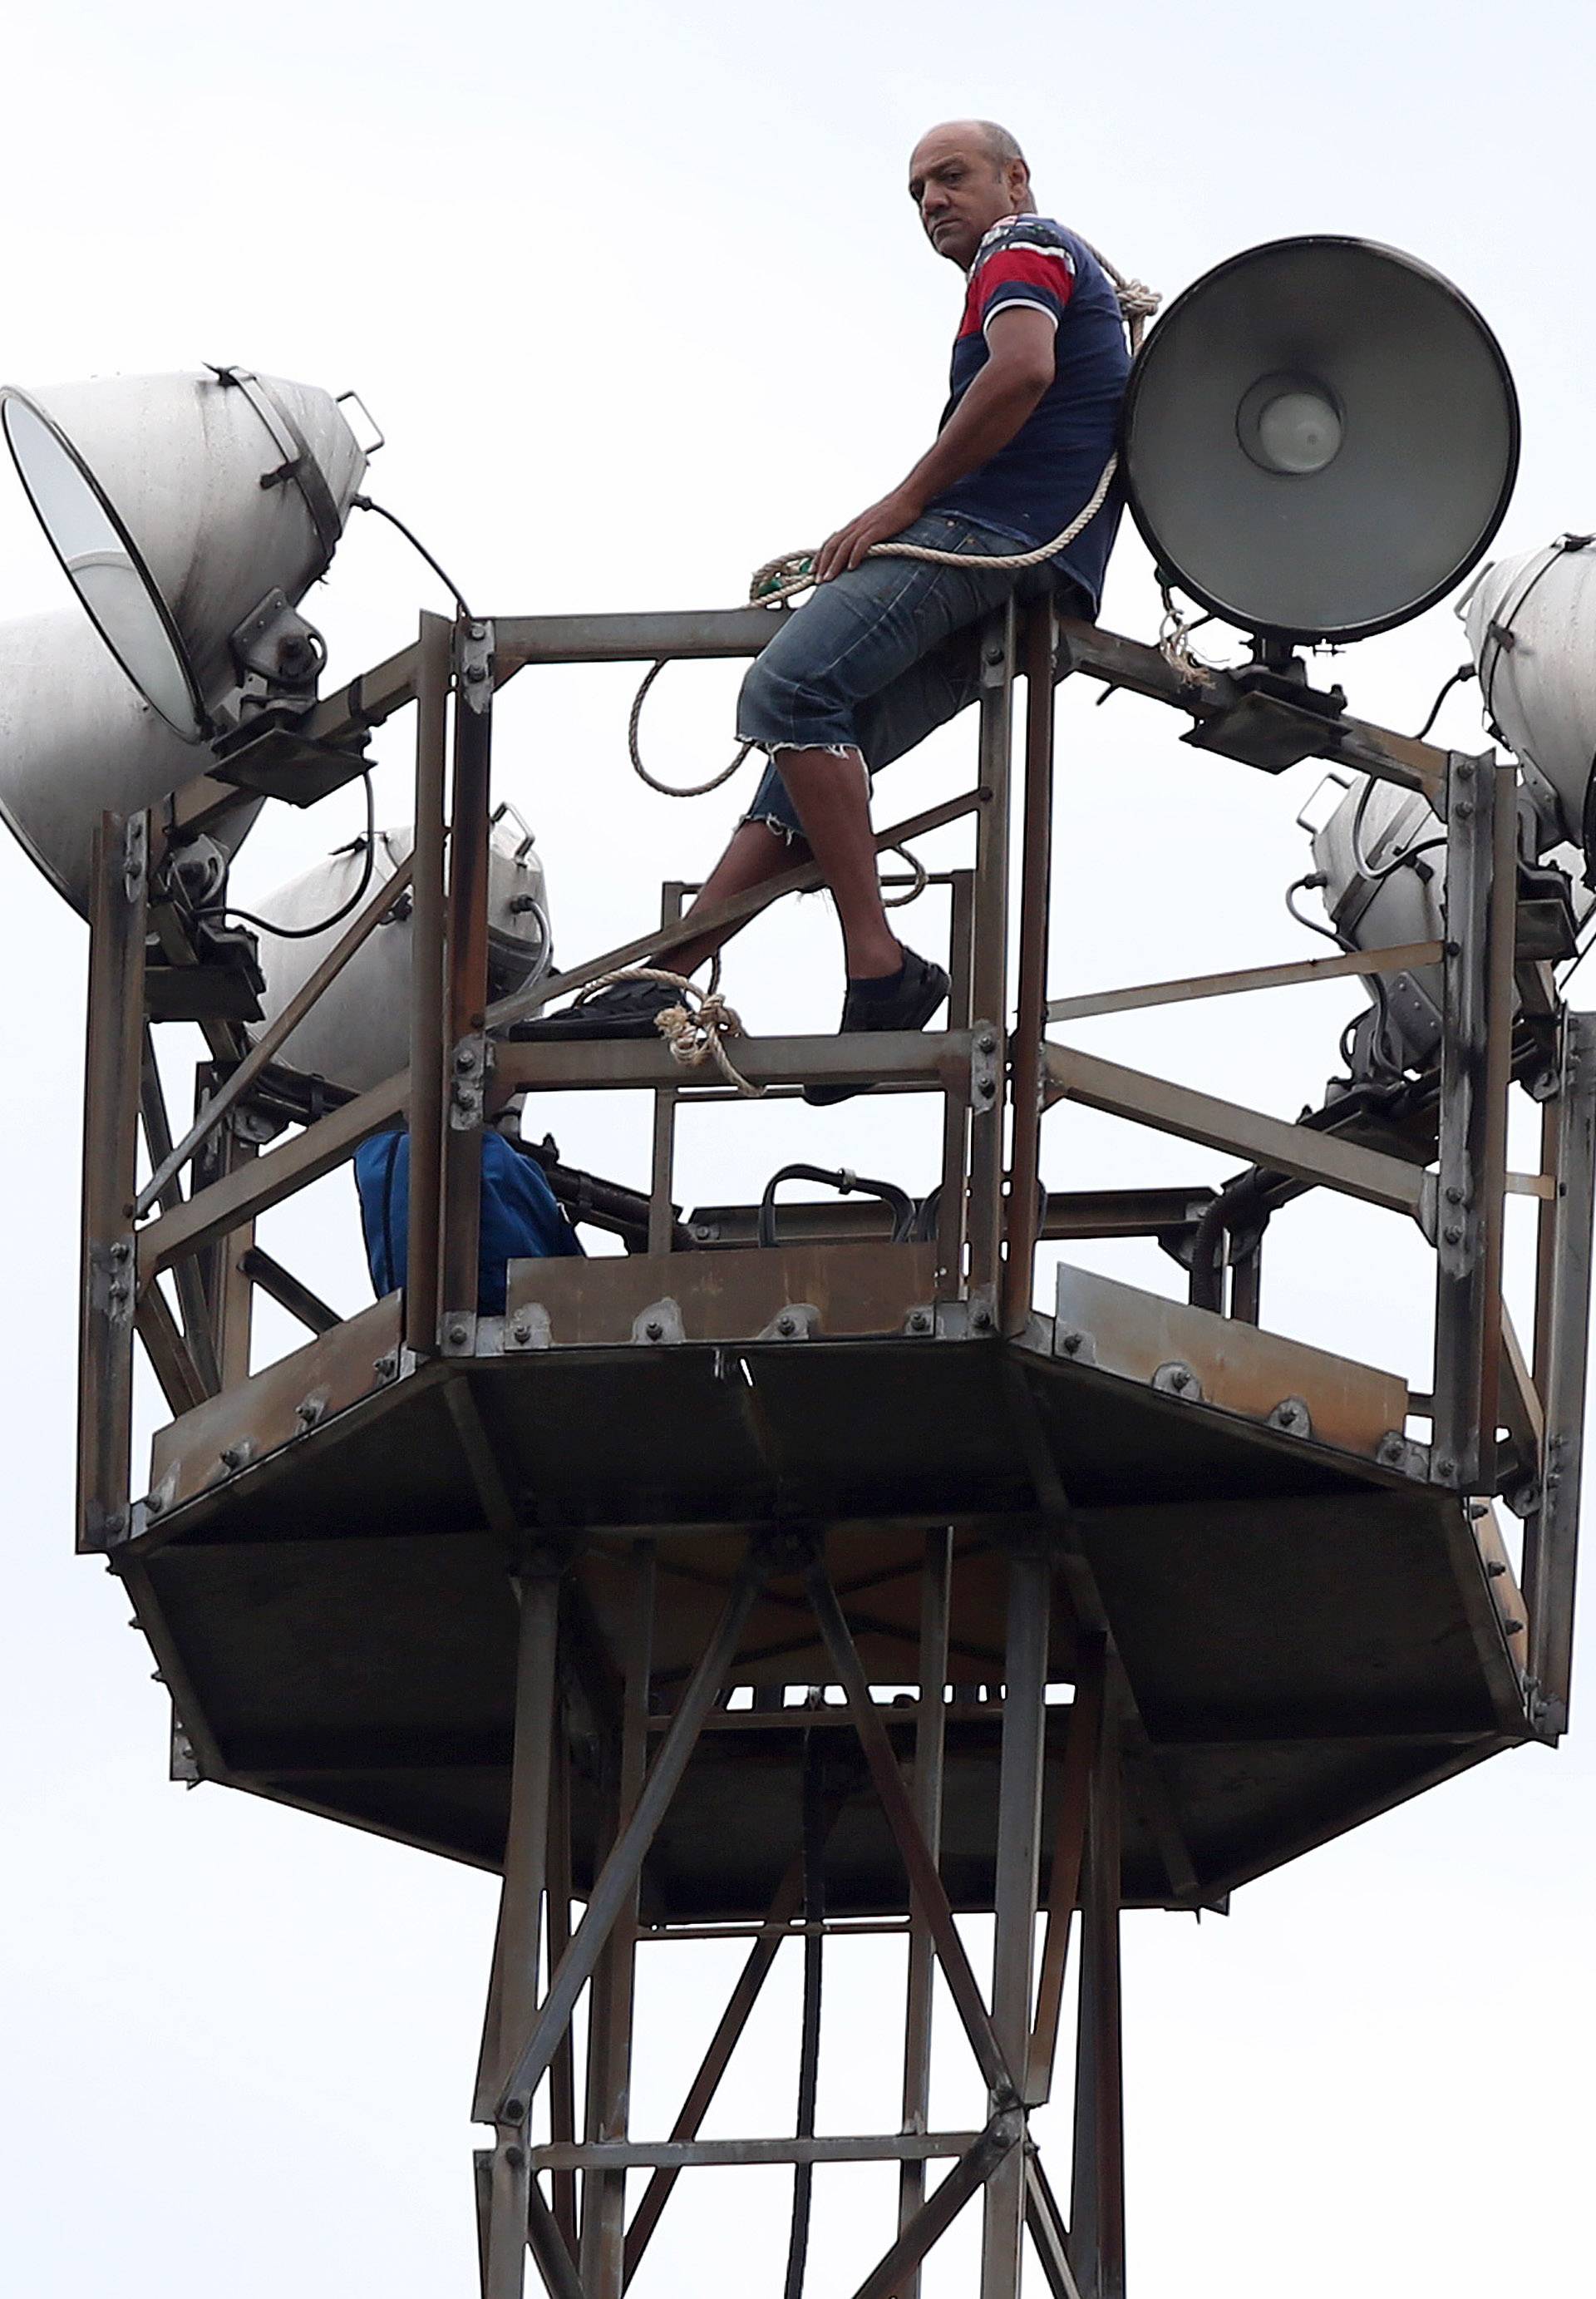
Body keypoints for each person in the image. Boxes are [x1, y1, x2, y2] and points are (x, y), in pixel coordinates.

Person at [549, 120, 1132, 1100]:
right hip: (1038, 586)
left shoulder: (1021, 244)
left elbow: (1024, 368)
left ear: (1015, 178)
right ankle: (665, 977)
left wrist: (902, 505)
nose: (932, 201)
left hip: (993, 540)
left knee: (789, 687)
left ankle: (877, 959)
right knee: (815, 759)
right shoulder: (1052, 265)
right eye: (917, 192)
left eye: (951, 177)